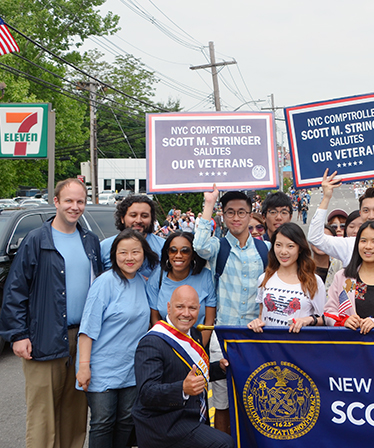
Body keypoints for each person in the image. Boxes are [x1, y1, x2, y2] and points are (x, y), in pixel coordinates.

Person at [0, 178, 103, 448]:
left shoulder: (90, 241)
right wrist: (18, 335)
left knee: (75, 413)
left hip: (81, 340)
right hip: (43, 338)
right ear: (56, 202)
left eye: (80, 201)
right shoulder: (36, 240)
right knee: (43, 416)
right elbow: (15, 291)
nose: (75, 206)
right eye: (68, 200)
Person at [194, 187, 270, 435]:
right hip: (222, 335)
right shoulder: (218, 248)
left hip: (256, 335)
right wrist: (209, 203)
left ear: (250, 215)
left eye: (241, 212)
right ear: (223, 216)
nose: (236, 218)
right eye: (230, 213)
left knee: (257, 398)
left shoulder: (265, 249)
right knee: (222, 402)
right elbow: (200, 244)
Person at [77, 228, 158, 448]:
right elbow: (87, 329)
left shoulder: (142, 282)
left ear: (144, 254)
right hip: (102, 368)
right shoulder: (104, 283)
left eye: (135, 252)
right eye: (123, 253)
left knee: (125, 421)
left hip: (131, 368)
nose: (129, 258)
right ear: (114, 255)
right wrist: (84, 366)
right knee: (103, 422)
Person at [132, 286, 233, 448]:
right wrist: (183, 389)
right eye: (180, 307)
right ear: (169, 308)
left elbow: (195, 373)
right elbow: (146, 393)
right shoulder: (152, 342)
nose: (186, 313)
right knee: (225, 443)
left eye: (192, 308)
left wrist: (218, 369)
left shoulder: (194, 334)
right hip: (164, 424)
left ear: (199, 309)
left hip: (189, 417)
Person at [308, 170, 374, 277]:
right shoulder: (349, 246)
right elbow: (315, 238)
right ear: (360, 213)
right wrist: (326, 197)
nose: (371, 216)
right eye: (366, 210)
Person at [324, 221, 374, 332]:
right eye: (363, 241)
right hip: (346, 345)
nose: (368, 246)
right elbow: (329, 312)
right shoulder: (342, 276)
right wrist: (344, 321)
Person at [247, 223, 325, 332]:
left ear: (300, 248)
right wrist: (256, 323)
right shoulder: (264, 278)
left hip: (298, 347)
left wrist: (309, 320)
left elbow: (325, 320)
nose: (283, 252)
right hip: (268, 346)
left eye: (290, 246)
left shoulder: (314, 281)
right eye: (278, 245)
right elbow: (262, 314)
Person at [148, 232, 216, 347]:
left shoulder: (206, 277)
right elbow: (155, 317)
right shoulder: (157, 277)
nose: (178, 255)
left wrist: (197, 351)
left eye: (185, 251)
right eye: (173, 250)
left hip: (198, 345)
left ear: (193, 254)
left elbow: (209, 322)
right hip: (166, 345)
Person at [100, 194, 165, 277]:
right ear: (122, 218)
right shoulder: (105, 247)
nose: (138, 220)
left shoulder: (163, 247)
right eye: (133, 215)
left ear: (151, 219)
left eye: (144, 216)